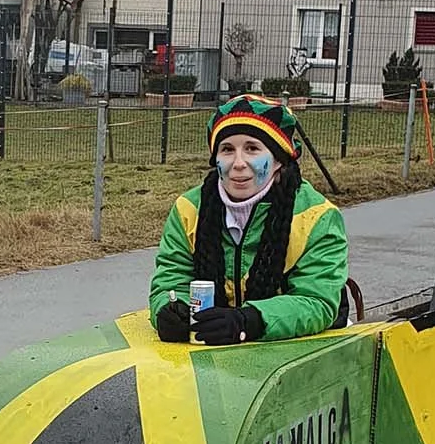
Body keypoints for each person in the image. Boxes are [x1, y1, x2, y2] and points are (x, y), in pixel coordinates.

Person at [149, 94, 348, 343]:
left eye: (252, 149)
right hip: (211, 346)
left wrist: (250, 321)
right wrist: (170, 312)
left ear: (278, 159)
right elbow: (170, 281)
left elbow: (318, 301)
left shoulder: (318, 217)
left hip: (297, 349)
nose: (238, 163)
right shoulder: (188, 209)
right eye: (227, 150)